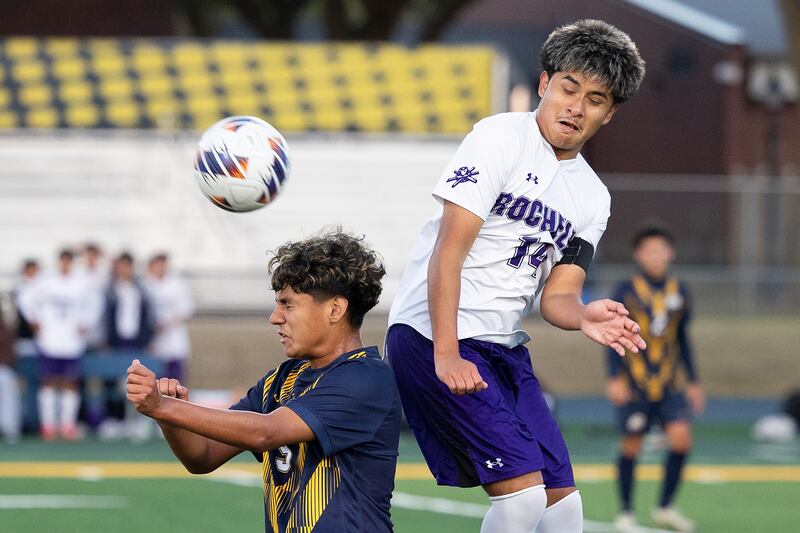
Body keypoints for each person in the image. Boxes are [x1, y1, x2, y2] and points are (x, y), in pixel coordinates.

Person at [386, 19, 647, 533]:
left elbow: (559, 298)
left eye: (595, 99)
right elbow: (448, 252)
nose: (576, 106)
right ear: (545, 83)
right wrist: (446, 351)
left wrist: (585, 315)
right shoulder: (499, 137)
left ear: (610, 113)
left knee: (563, 509)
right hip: (430, 335)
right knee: (523, 501)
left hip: (503, 348)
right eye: (569, 88)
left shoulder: (593, 197)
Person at [127, 230, 401, 533]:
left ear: (335, 309)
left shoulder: (366, 377)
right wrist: (170, 418)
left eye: (288, 304)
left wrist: (164, 407)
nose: (274, 317)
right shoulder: (281, 379)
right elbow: (202, 456)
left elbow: (265, 433)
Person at [607, 227, 704, 533]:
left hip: (670, 382)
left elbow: (682, 338)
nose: (656, 256)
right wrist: (613, 377)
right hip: (635, 382)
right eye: (649, 250)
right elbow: (613, 334)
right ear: (638, 255)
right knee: (632, 446)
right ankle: (625, 511)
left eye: (661, 249)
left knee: (681, 440)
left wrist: (694, 381)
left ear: (670, 253)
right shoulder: (625, 289)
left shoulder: (680, 290)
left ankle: (665, 506)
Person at [20, 249, 94, 440]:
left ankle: (67, 425)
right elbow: (25, 298)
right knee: (48, 381)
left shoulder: (81, 283)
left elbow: (95, 304)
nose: (65, 264)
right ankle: (49, 426)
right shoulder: (45, 281)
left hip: (71, 342)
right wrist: (34, 320)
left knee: (70, 382)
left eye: (69, 261)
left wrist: (86, 323)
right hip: (49, 341)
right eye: (63, 260)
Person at [143, 253, 194, 383]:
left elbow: (187, 309)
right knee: (156, 378)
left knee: (176, 377)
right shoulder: (146, 284)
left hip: (174, 335)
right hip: (155, 338)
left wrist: (170, 322)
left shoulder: (176, 284)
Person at [0, 299, 21, 443]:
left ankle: (10, 429)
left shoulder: (5, 329)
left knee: (6, 381)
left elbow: (11, 356)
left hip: (3, 369)